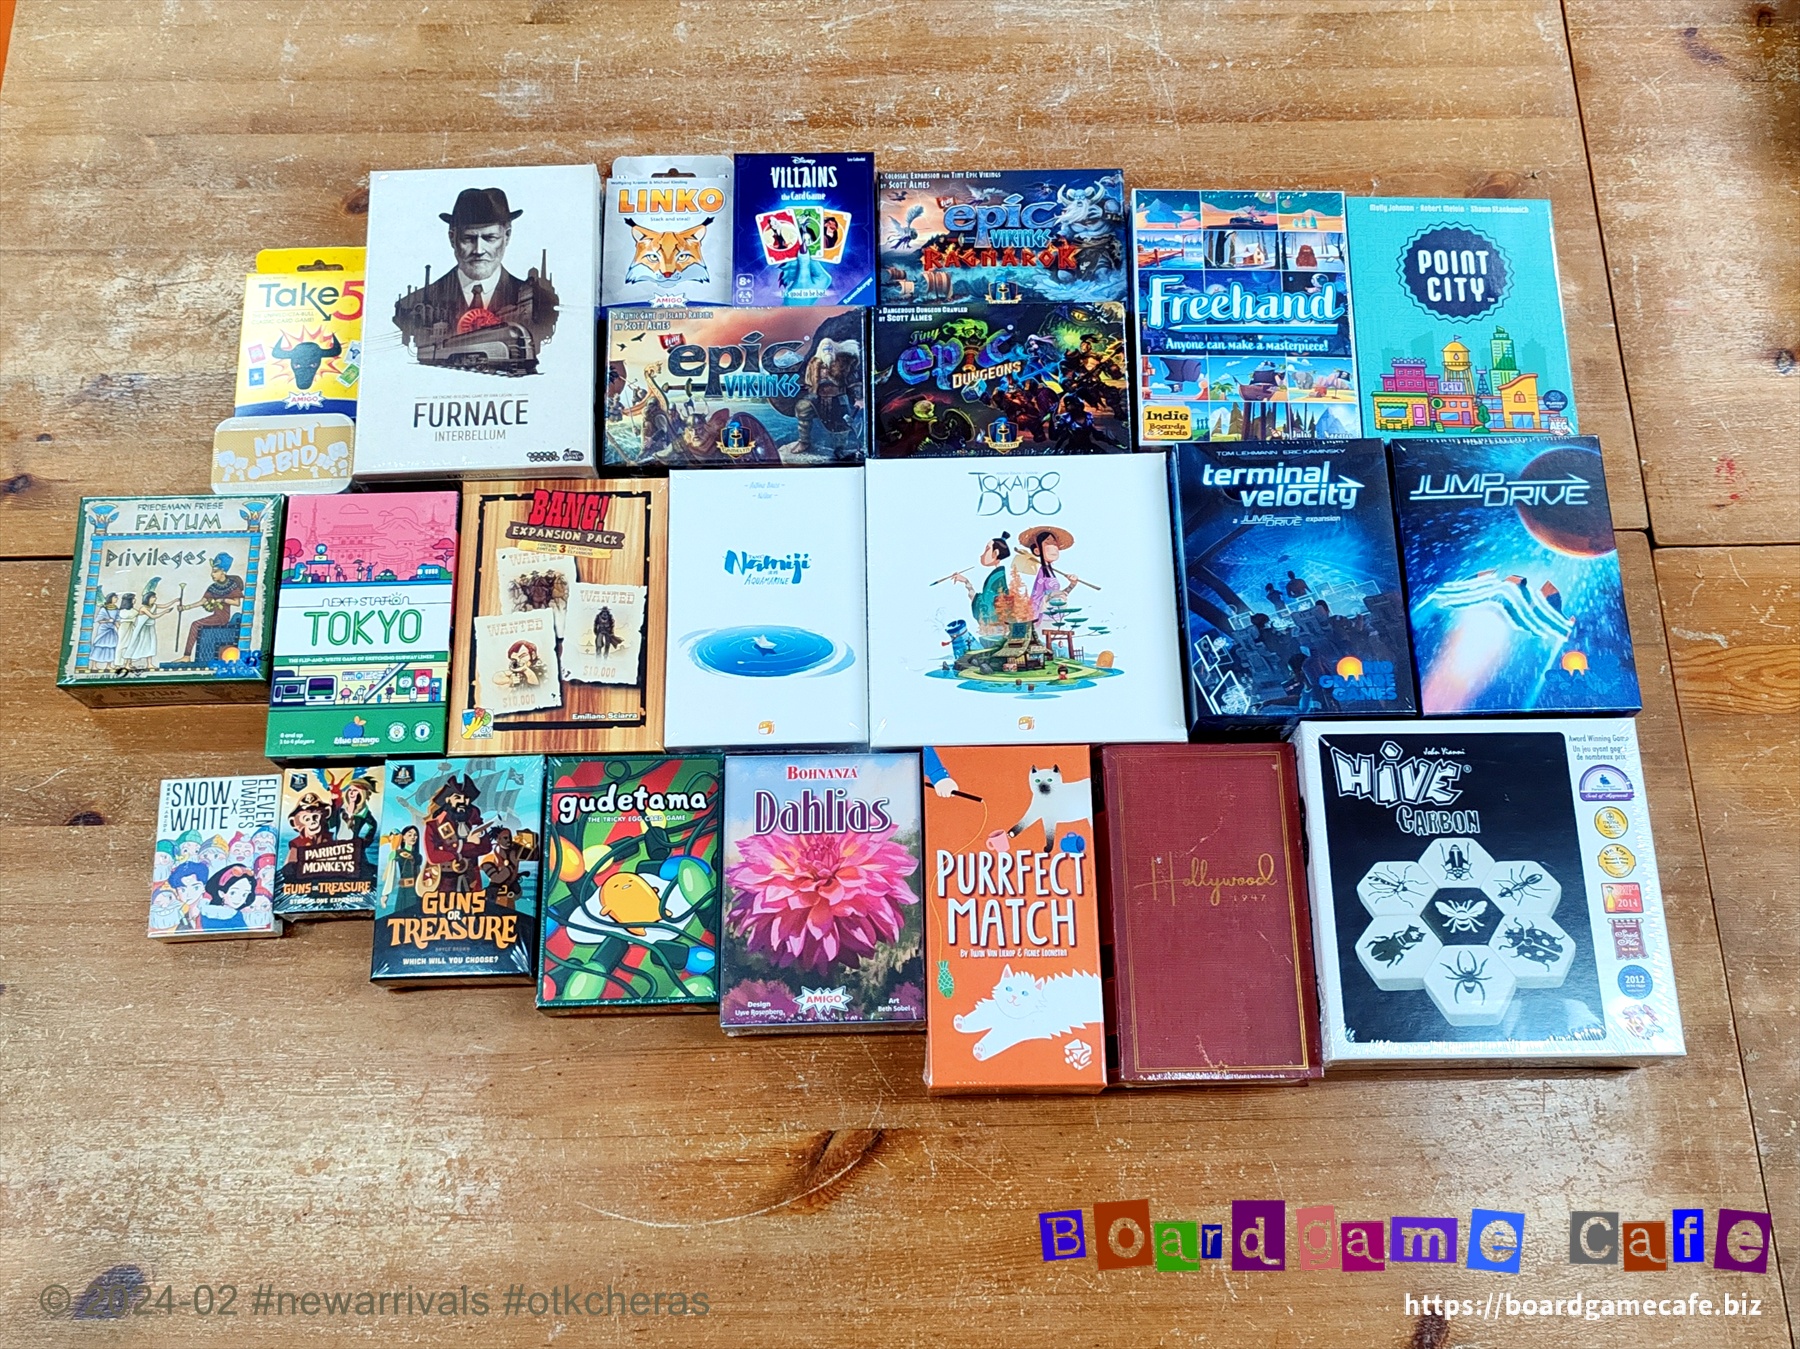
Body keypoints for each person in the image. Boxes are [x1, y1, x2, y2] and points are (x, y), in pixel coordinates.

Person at [183, 552, 244, 660]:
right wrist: (185, 607)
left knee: (195, 624)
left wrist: (222, 600)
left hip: (222, 618)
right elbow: (202, 601)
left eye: (215, 571)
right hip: (215, 615)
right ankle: (186, 656)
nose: (212, 574)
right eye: (212, 571)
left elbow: (236, 602)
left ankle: (187, 656)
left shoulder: (232, 585)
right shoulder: (213, 587)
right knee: (195, 624)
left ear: (223, 572)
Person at [89, 592, 121, 670]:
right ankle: (94, 665)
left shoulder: (116, 609)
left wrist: (119, 628)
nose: (117, 599)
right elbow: (99, 620)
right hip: (104, 630)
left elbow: (117, 620)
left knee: (111, 647)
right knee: (99, 646)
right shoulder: (104, 609)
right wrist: (108, 620)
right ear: (110, 598)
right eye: (115, 597)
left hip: (112, 630)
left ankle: (108, 665)